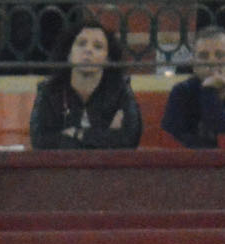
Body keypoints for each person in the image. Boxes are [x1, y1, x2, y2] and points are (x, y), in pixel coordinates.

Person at [29, 18, 143, 150]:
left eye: (98, 46)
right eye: (81, 44)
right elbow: (40, 142)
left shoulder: (121, 90)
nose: (88, 50)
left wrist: (77, 134)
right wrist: (104, 137)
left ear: (108, 59)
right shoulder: (49, 90)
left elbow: (129, 139)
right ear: (69, 54)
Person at [160, 26, 225, 148]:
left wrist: (209, 92)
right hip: (193, 165)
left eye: (220, 55)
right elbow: (170, 144)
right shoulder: (181, 92)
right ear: (193, 64)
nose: (212, 61)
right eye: (203, 56)